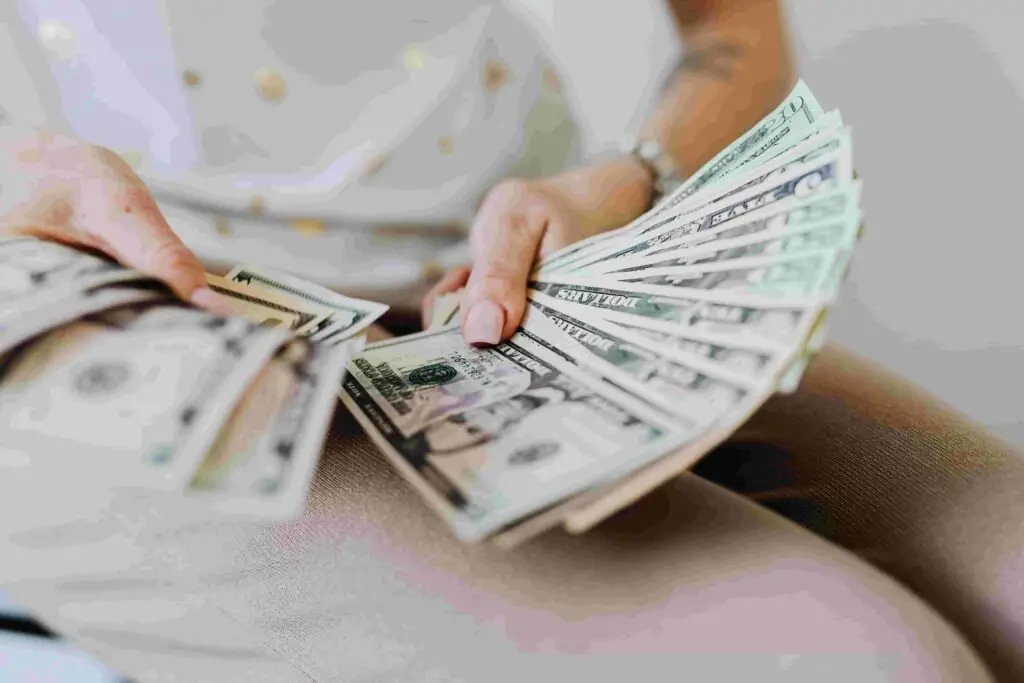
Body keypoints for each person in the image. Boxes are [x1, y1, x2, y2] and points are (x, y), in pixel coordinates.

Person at [2, 1, 1024, 681]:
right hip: (127, 306)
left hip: (504, 279)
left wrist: (633, 173)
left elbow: (730, 20)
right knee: (872, 662)